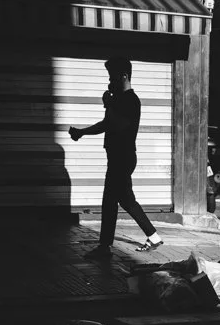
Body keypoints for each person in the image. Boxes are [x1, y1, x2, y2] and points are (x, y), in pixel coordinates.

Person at [68, 58, 163, 256]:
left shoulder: (130, 100)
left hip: (123, 158)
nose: (109, 81)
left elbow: (118, 125)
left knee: (110, 200)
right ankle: (153, 236)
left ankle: (105, 247)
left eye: (112, 77)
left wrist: (108, 104)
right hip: (118, 158)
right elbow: (106, 125)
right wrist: (82, 132)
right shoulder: (119, 100)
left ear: (124, 76)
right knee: (125, 200)